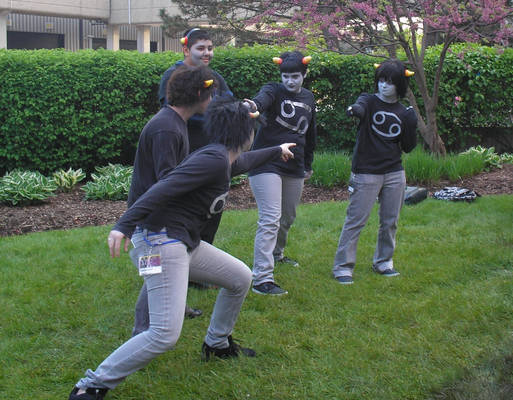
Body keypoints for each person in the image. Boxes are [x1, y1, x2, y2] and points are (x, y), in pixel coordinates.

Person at [68, 96, 296, 400]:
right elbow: (163, 187)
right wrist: (123, 224)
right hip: (158, 240)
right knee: (164, 333)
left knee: (240, 277)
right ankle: (92, 385)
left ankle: (217, 344)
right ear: (246, 133)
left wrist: (276, 151)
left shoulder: (222, 157)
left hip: (180, 241)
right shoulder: (213, 159)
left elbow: (244, 162)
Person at [332, 59, 418, 285]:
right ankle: (343, 267)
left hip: (394, 172)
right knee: (356, 220)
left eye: (390, 82)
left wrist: (412, 124)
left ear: (400, 84)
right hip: (366, 172)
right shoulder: (368, 102)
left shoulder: (404, 112)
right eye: (381, 80)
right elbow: (359, 107)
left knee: (390, 221)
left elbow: (408, 147)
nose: (384, 86)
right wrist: (354, 111)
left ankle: (384, 262)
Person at [249, 51, 317, 296]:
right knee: (270, 218)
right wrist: (254, 106)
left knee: (287, 218)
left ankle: (277, 254)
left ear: (304, 75)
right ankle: (261, 278)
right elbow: (262, 99)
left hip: (295, 165)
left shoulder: (309, 98)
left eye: (295, 76)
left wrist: (307, 163)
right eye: (286, 76)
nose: (290, 81)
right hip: (267, 161)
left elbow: (310, 134)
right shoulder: (273, 90)